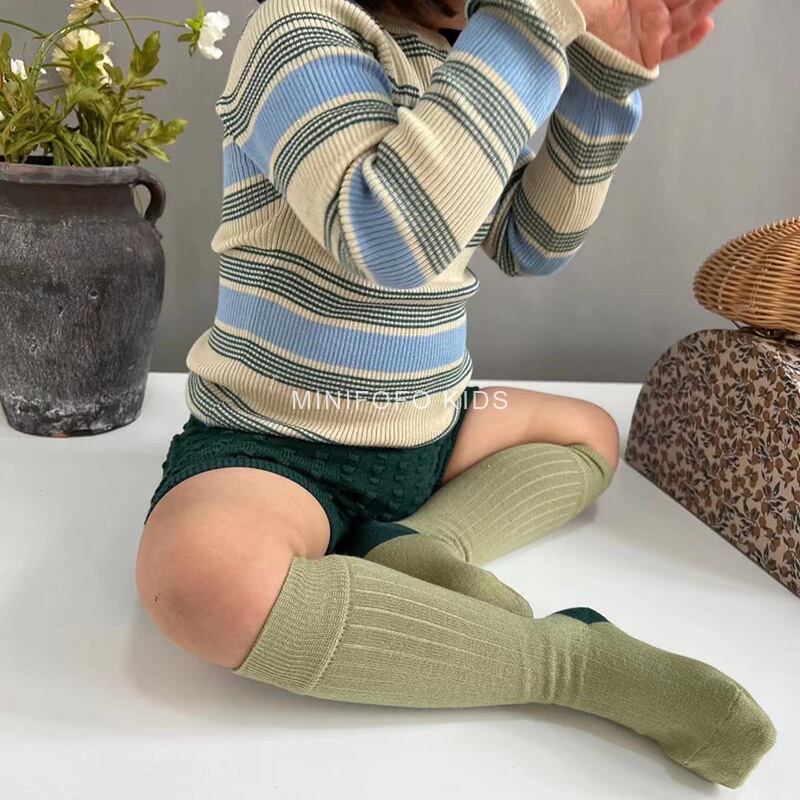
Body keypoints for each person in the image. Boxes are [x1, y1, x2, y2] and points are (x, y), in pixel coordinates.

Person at [135, 0, 775, 788]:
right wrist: (530, 21)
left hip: (434, 424)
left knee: (591, 431)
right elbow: (390, 235)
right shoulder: (298, 32)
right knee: (196, 577)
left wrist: (601, 86)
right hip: (278, 443)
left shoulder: (464, 59)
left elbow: (531, 243)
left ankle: (420, 545)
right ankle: (567, 662)